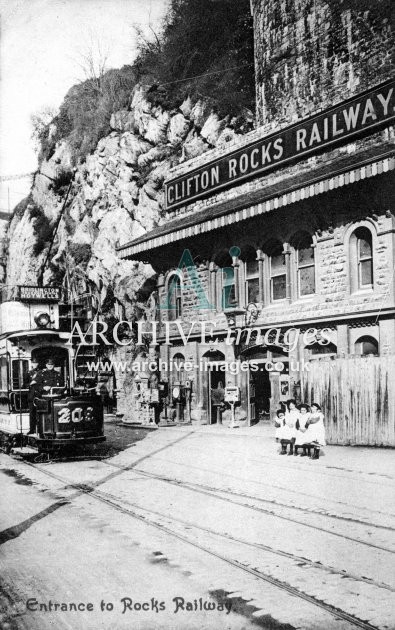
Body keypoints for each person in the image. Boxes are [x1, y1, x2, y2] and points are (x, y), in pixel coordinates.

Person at [26, 358, 42, 434]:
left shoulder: (41, 372)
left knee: (40, 413)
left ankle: (40, 430)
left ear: (38, 364)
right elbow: (24, 385)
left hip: (39, 395)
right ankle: (32, 430)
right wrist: (30, 384)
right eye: (33, 363)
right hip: (31, 396)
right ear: (31, 364)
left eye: (36, 363)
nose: (35, 365)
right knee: (32, 414)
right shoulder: (29, 373)